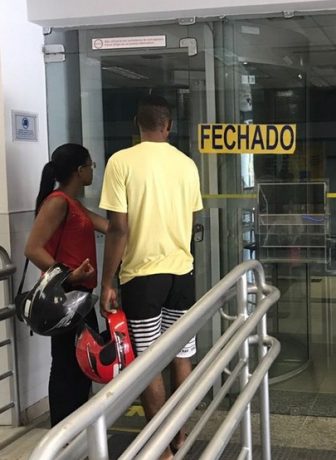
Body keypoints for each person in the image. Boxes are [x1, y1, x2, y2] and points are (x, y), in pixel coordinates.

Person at [99, 95, 203, 459]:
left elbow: (118, 228)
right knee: (182, 354)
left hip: (142, 277)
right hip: (182, 272)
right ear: (168, 126)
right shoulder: (187, 165)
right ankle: (180, 435)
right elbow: (192, 220)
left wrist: (107, 282)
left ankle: (161, 450)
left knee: (147, 362)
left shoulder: (121, 162)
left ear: (137, 124)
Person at [24, 143, 108, 426]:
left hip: (80, 295)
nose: (93, 170)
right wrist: (68, 276)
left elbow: (110, 227)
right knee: (67, 366)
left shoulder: (73, 203)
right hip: (67, 294)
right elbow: (32, 248)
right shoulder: (58, 202)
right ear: (79, 170)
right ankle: (62, 431)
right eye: (91, 165)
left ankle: (73, 430)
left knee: (79, 364)